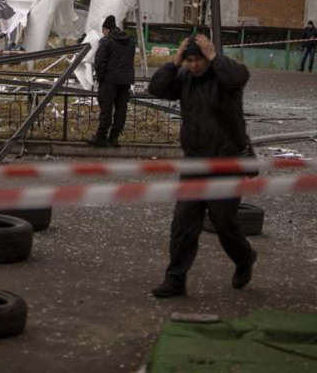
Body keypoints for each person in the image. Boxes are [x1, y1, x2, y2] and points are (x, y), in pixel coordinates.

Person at [147, 34, 257, 298]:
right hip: (195, 163)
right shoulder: (184, 78)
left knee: (224, 224)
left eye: (198, 60)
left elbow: (239, 77)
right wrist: (174, 63)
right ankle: (175, 280)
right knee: (183, 224)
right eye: (190, 60)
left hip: (225, 163)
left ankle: (245, 258)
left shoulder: (225, 78)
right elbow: (157, 89)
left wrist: (214, 56)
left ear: (207, 58)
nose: (194, 66)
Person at [87, 15, 136, 147]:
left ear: (106, 29)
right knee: (121, 109)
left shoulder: (107, 41)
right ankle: (114, 137)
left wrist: (101, 77)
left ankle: (101, 136)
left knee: (106, 109)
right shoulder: (130, 41)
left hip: (109, 81)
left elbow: (99, 62)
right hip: (125, 81)